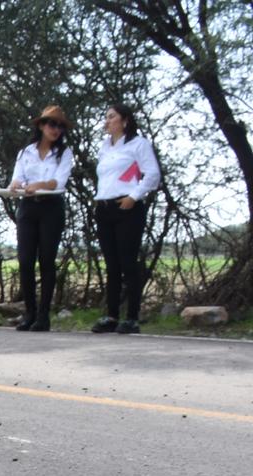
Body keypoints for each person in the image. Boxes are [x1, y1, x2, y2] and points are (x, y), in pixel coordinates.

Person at [92, 103, 160, 333]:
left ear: (125, 120)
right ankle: (111, 315)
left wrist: (134, 196)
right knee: (111, 264)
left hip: (127, 207)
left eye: (112, 116)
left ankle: (132, 317)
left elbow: (152, 174)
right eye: (106, 117)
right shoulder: (105, 147)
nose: (107, 121)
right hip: (104, 207)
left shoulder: (138, 144)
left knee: (128, 262)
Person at [8, 106, 74, 331]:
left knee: (47, 260)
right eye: (51, 124)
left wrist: (40, 184)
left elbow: (59, 181)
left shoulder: (64, 153)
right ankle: (29, 312)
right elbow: (17, 178)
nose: (56, 130)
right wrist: (16, 185)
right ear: (41, 125)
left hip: (51, 207)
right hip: (28, 207)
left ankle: (44, 315)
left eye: (60, 126)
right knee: (25, 260)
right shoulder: (26, 152)